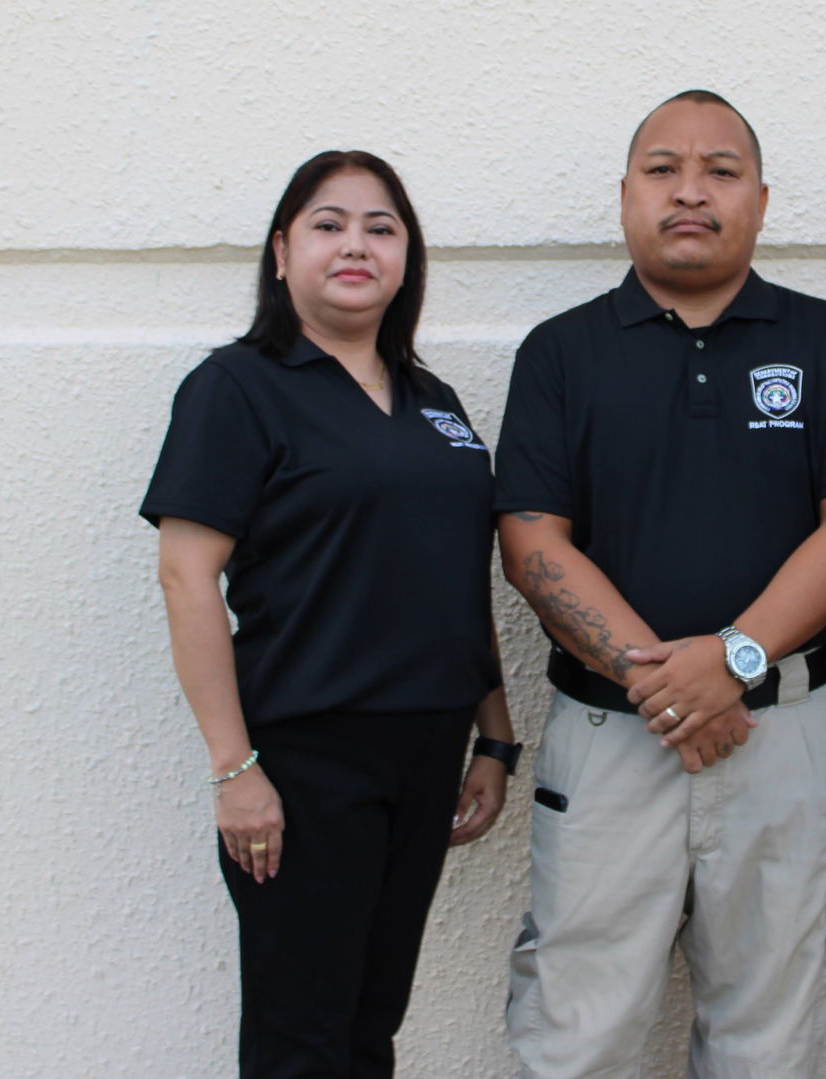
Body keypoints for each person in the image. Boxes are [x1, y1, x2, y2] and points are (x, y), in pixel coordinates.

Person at [493, 90, 826, 1078]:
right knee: (576, 1037)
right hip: (609, 739)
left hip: (782, 738)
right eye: (663, 169)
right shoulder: (560, 351)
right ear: (624, 195)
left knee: (768, 1041)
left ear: (760, 200)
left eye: (720, 171)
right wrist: (670, 688)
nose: (690, 191)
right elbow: (532, 541)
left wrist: (735, 658)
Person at [140, 149, 518, 1079]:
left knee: (369, 1023)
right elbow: (187, 577)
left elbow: (458, 573)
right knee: (300, 1038)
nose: (356, 245)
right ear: (281, 253)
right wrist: (235, 768)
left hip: (427, 750)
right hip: (307, 759)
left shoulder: (435, 403)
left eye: (381, 228)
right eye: (328, 224)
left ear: (407, 258)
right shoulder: (238, 387)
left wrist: (495, 736)